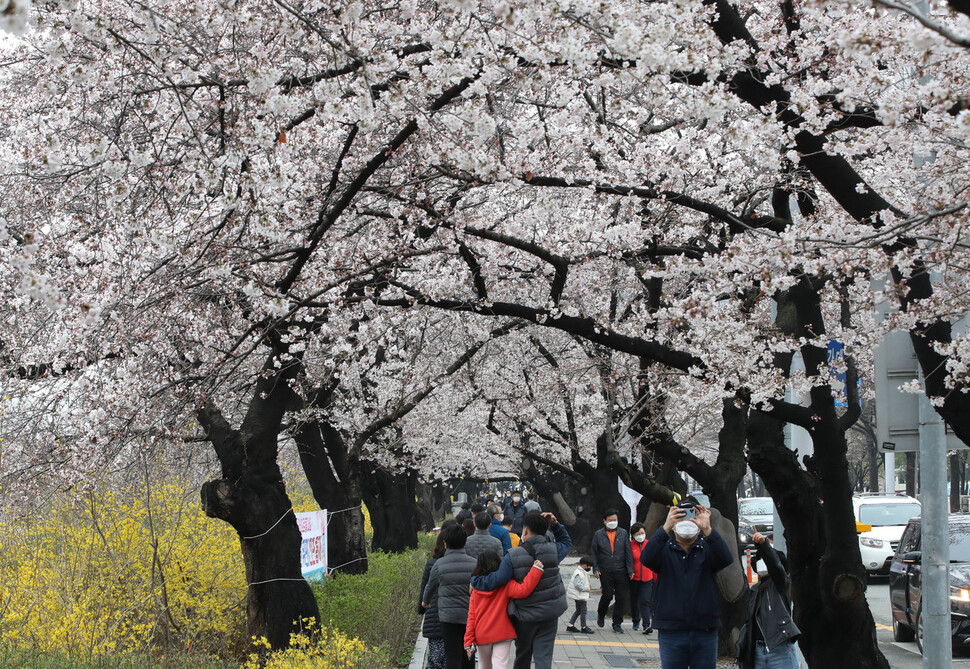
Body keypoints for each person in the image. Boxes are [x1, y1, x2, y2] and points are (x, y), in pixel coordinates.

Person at [470, 512, 572, 669]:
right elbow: (566, 543)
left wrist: (475, 581)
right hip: (550, 613)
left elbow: (497, 579)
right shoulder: (553, 550)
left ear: (525, 531)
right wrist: (556, 524)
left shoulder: (513, 555)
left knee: (523, 655)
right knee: (544, 657)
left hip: (525, 615)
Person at [640, 502, 734, 669]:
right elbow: (646, 558)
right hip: (671, 631)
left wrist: (707, 530)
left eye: (692, 518)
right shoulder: (664, 550)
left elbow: (725, 559)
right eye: (681, 518)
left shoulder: (706, 548)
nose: (687, 522)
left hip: (705, 630)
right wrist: (666, 527)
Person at [463, 551, 545, 669]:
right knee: (500, 665)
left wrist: (468, 641)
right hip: (503, 632)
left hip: (482, 633)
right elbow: (523, 590)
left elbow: (472, 616)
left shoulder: (475, 589)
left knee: (483, 666)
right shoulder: (505, 584)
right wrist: (536, 570)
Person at [737, 532, 800, 669]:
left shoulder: (780, 584)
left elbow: (776, 568)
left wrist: (764, 545)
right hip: (757, 652)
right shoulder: (755, 590)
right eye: (759, 560)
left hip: (779, 649)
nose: (761, 563)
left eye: (763, 559)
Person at [423, 523, 478, 669]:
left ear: (445, 545)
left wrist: (425, 602)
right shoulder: (474, 564)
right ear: (465, 542)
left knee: (452, 655)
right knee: (469, 654)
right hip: (470, 616)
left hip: (448, 618)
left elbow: (430, 586)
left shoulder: (439, 564)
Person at [590, 508, 634, 633]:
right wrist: (596, 568)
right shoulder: (598, 534)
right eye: (610, 520)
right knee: (607, 595)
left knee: (621, 597)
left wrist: (630, 569)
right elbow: (594, 552)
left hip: (621, 570)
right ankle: (601, 613)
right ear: (604, 521)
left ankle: (617, 623)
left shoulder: (623, 533)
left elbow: (628, 552)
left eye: (615, 520)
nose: (613, 522)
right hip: (606, 570)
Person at [419, 523, 452, 669]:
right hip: (454, 616)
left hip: (434, 614)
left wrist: (422, 608)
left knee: (435, 658)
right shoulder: (461, 562)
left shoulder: (432, 563)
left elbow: (425, 587)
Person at [629, 522, 656, 634]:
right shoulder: (630, 545)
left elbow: (654, 561)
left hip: (647, 577)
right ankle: (636, 620)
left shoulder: (650, 544)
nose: (641, 535)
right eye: (638, 533)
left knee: (645, 601)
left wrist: (655, 577)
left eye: (642, 533)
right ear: (633, 535)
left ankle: (646, 625)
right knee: (634, 600)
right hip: (634, 578)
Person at [565, 555, 595, 634]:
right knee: (583, 611)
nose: (590, 568)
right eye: (589, 566)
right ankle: (583, 627)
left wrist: (588, 586)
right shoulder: (579, 573)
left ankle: (570, 625)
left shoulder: (581, 571)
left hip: (578, 595)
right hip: (580, 595)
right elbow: (577, 584)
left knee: (578, 611)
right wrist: (586, 589)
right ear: (585, 565)